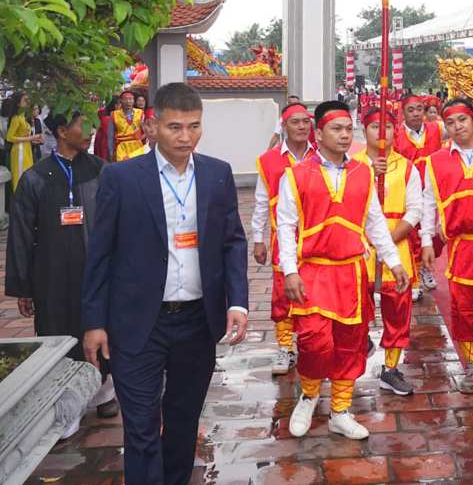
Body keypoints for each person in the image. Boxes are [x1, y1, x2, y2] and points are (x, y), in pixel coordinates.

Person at [81, 83, 249, 485]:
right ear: (153, 126)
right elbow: (99, 252)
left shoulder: (216, 174)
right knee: (140, 427)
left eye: (193, 127)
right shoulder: (121, 178)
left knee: (183, 422)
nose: (185, 137)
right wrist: (94, 321)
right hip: (137, 322)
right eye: (175, 127)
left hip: (196, 321)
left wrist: (237, 302)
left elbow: (232, 241)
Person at [277, 101, 410, 440]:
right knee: (313, 342)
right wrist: (290, 270)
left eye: (348, 130)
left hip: (351, 273)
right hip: (313, 273)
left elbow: (375, 222)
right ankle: (308, 395)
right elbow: (286, 226)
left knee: (349, 345)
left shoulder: (363, 172)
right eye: (336, 129)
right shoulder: (295, 174)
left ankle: (340, 409)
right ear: (318, 133)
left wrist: (393, 261)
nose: (344, 135)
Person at [6, 112, 119, 431]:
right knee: (59, 332)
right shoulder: (36, 178)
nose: (90, 131)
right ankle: (64, 402)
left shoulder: (101, 171)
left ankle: (104, 393)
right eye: (82, 125)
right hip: (51, 275)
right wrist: (23, 285)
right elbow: (21, 233)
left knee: (101, 328)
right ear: (61, 131)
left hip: (95, 272)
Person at [421, 97, 473, 392]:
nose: (457, 127)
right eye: (450, 122)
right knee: (465, 309)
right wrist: (427, 240)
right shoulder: (436, 161)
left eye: (462, 120)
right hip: (462, 246)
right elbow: (429, 201)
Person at [353, 107, 421, 395]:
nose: (382, 134)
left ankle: (391, 368)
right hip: (360, 250)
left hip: (397, 246)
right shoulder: (351, 166)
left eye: (389, 128)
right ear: (363, 130)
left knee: (398, 309)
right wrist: (369, 173)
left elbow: (415, 209)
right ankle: (360, 345)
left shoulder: (408, 167)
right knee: (355, 308)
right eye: (374, 127)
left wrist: (389, 239)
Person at [250, 101, 313, 375]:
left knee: (314, 291)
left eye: (305, 121)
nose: (301, 127)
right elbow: (261, 201)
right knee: (282, 295)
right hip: (282, 237)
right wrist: (258, 238)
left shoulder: (321, 156)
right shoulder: (269, 160)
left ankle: (311, 344)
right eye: (295, 122)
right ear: (284, 126)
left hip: (315, 237)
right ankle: (285, 348)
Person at [395, 93, 445, 295]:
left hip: (434, 191)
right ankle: (415, 276)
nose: (415, 114)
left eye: (419, 109)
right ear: (403, 113)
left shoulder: (436, 129)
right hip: (411, 191)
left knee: (437, 235)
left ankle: (426, 267)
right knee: (413, 234)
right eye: (410, 110)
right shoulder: (397, 135)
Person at [5, 91, 39, 188]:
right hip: (19, 151)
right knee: (20, 178)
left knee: (28, 176)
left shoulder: (23, 116)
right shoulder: (16, 118)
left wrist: (33, 140)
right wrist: (30, 138)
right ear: (18, 103)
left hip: (27, 149)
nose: (28, 102)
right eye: (25, 100)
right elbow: (9, 137)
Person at [107, 90, 145, 162]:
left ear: (134, 101)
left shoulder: (140, 113)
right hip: (122, 147)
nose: (128, 102)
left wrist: (140, 137)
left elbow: (147, 131)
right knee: (123, 169)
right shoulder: (114, 114)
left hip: (137, 147)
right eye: (125, 99)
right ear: (121, 101)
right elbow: (110, 135)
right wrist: (111, 152)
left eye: (130, 99)